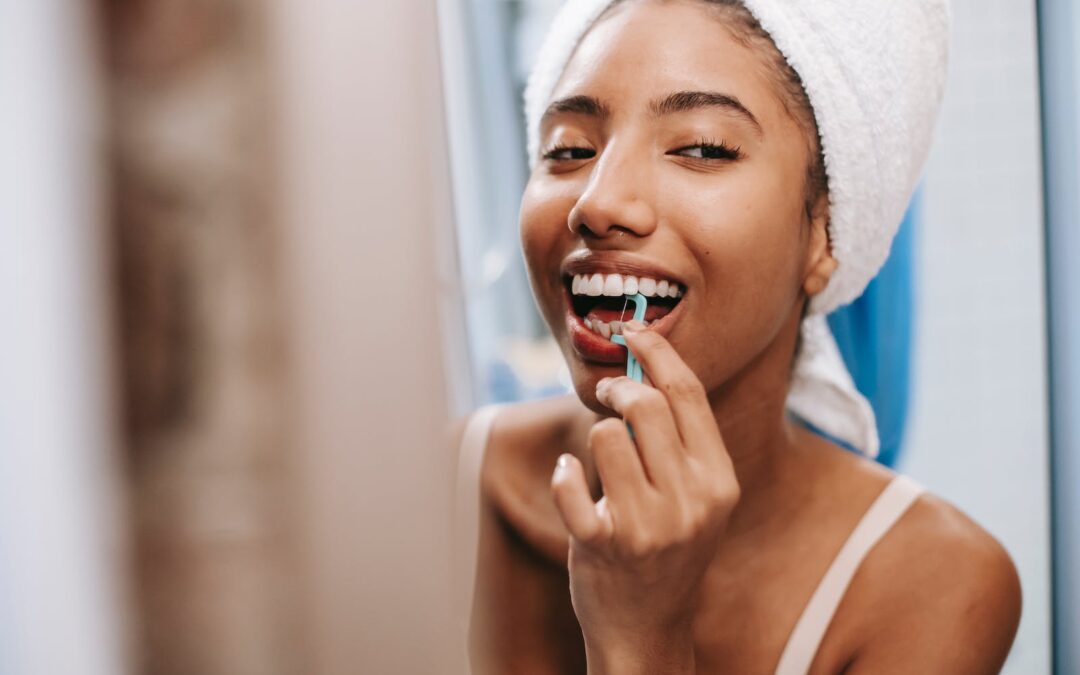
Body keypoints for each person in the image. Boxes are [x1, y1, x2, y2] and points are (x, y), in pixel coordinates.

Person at [454, 1, 1022, 672]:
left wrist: (642, 637)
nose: (597, 203)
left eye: (701, 147)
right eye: (569, 149)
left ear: (822, 232)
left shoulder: (936, 586)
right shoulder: (439, 485)